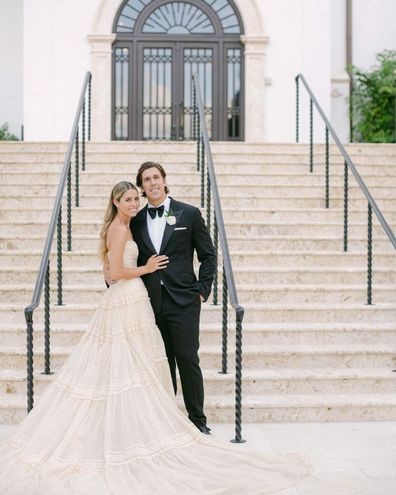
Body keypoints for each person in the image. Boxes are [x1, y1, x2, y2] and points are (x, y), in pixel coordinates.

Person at [0, 181, 311, 494]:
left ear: (158, 186)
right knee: (126, 365)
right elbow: (115, 273)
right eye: (129, 198)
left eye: (137, 197)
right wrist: (146, 268)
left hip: (152, 300)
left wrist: (201, 290)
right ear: (116, 201)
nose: (135, 202)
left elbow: (202, 255)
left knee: (157, 363)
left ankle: (186, 420)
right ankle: (131, 432)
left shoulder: (151, 219)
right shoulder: (121, 228)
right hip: (129, 298)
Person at [130, 161, 216, 434]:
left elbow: (208, 255)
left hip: (184, 301)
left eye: (156, 177)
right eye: (146, 179)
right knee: (161, 363)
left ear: (164, 181)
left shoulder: (188, 214)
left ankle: (197, 422)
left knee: (188, 360)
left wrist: (202, 289)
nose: (152, 182)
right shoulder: (136, 220)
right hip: (151, 303)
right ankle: (167, 422)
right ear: (142, 188)